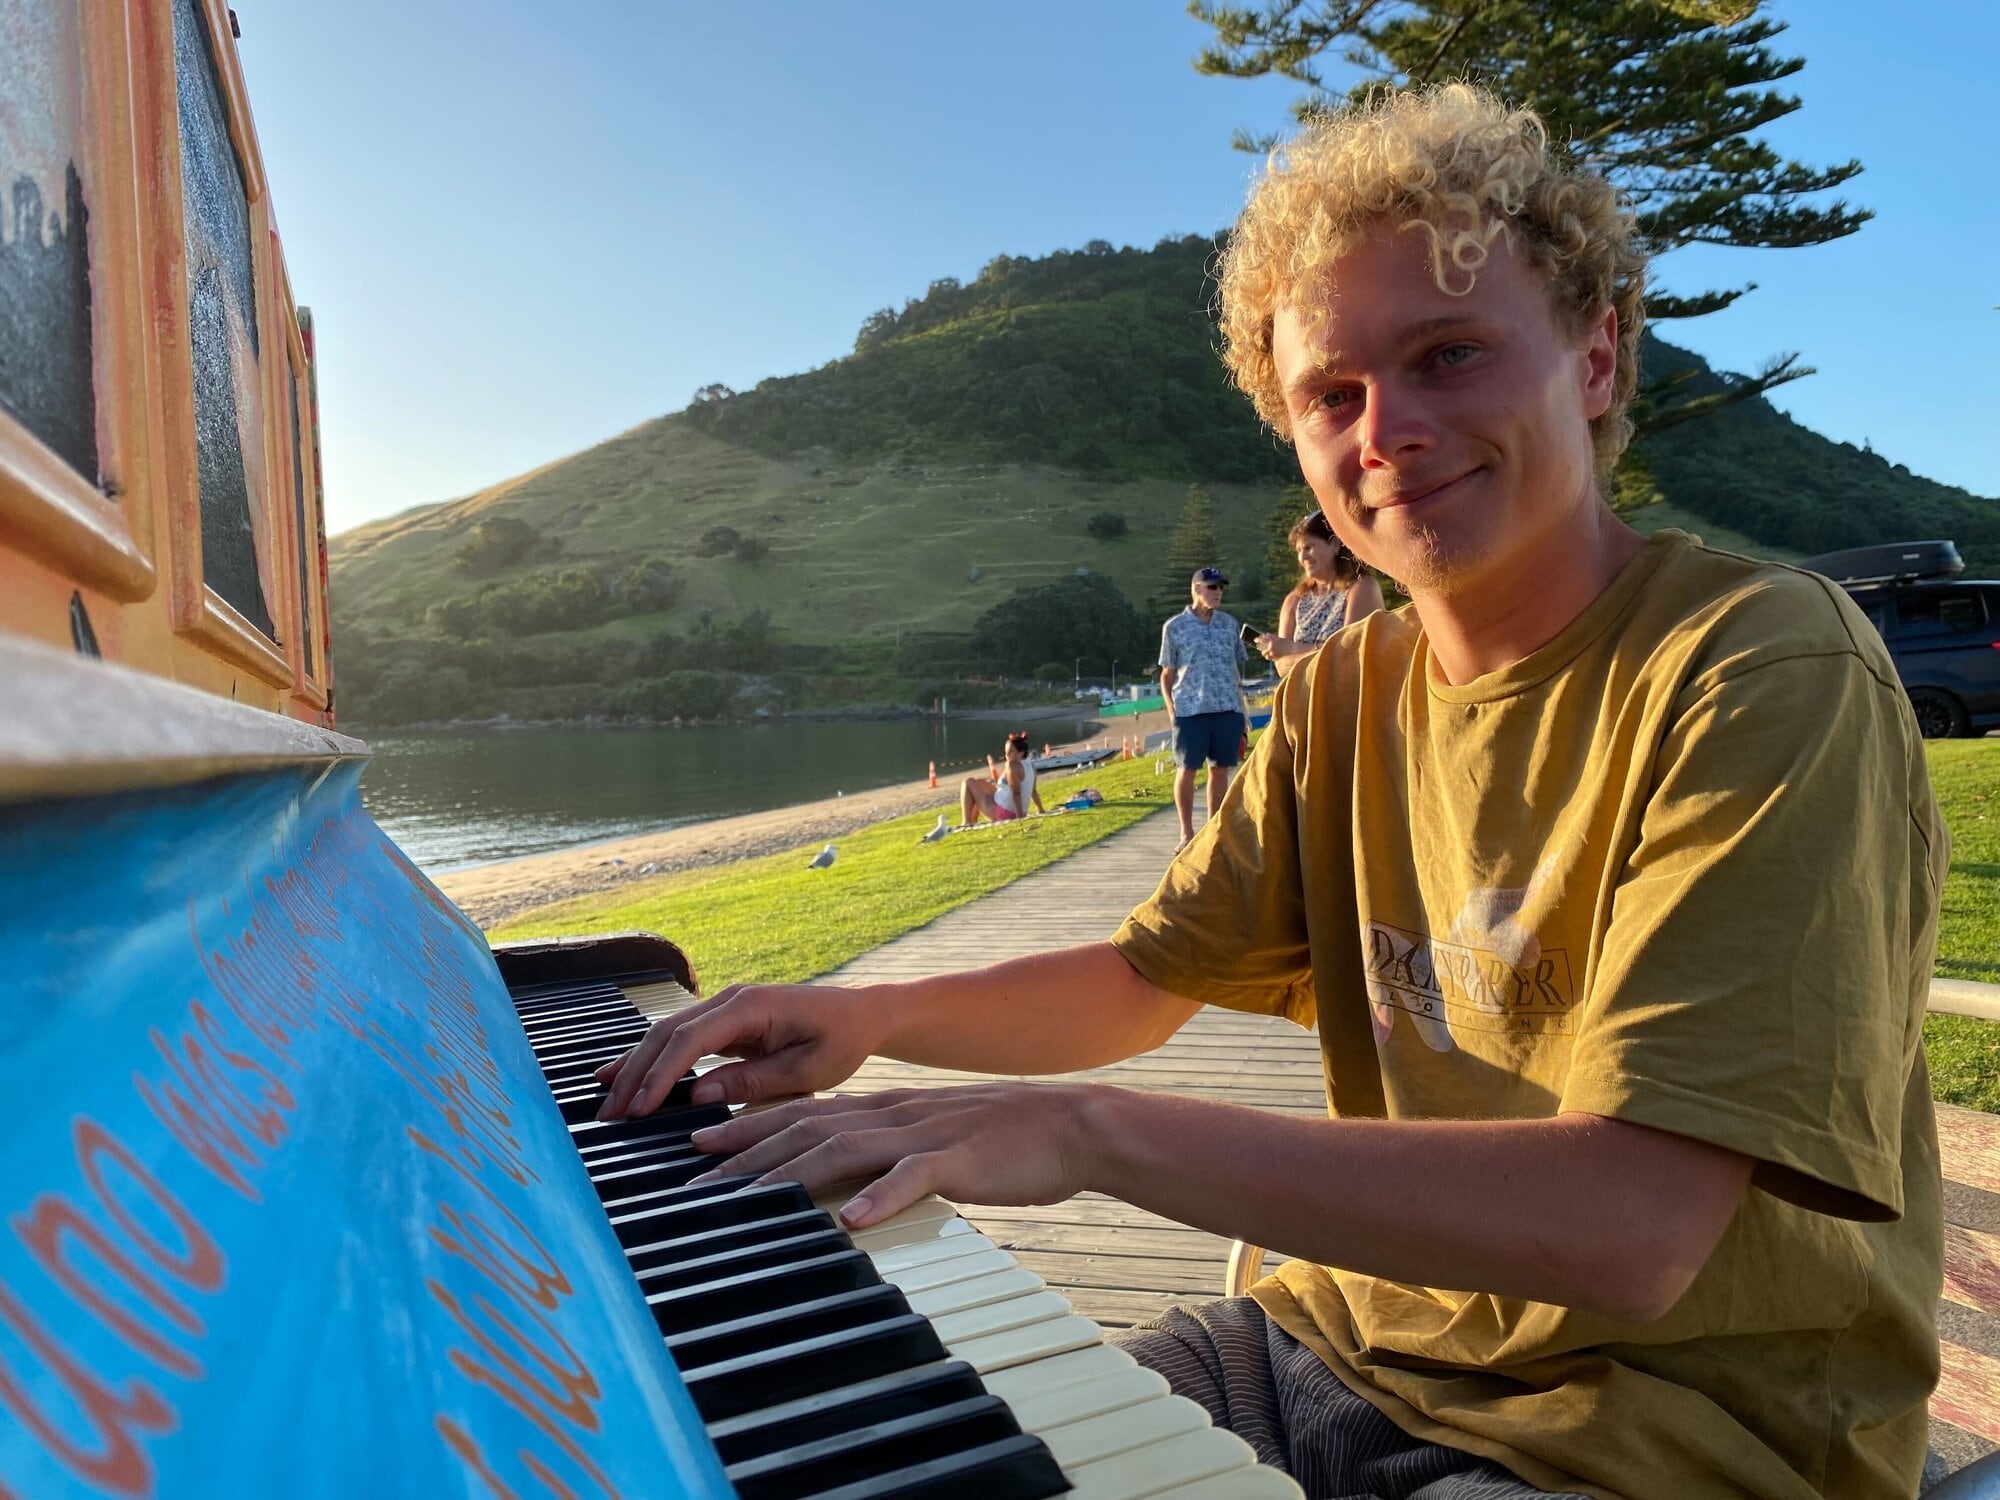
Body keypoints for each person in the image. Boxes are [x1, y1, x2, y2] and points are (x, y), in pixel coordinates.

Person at [597, 83, 1943, 1500]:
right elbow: (1146, 974)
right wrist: (874, 1016)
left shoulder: (1757, 666)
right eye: (1333, 394)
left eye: (1452, 354)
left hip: (1668, 1435)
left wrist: (1086, 1132)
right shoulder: (1346, 692)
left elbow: (1635, 1225)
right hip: (1344, 1343)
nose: (1390, 431)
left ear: (1596, 356)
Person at [1160, 565, 1248, 848]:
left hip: (1227, 709)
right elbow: (1167, 674)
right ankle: (1186, 833)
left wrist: (1243, 713)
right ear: (1196, 589)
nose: (1218, 592)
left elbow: (1237, 669)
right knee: (1187, 769)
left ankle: (1214, 831)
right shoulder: (1174, 627)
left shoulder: (1229, 624)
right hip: (1190, 712)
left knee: (1220, 770)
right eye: (1212, 587)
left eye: (1221, 587)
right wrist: (1173, 712)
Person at [1255, 510, 1385, 677]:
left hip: (1350, 699)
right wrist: (1324, 653)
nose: (1303, 557)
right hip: (1304, 701)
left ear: (1336, 544)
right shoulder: (1294, 600)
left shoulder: (1362, 588)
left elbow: (1350, 655)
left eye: (1309, 547)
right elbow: (1282, 667)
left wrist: (1291, 649)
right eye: (1299, 550)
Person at [960, 730, 1045, 826]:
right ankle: (973, 821)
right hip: (1010, 808)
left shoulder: (1013, 766)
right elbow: (1033, 791)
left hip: (1003, 813)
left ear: (1020, 753)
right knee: (979, 783)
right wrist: (1041, 810)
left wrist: (1020, 818)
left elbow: (1016, 793)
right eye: (1005, 753)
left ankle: (966, 822)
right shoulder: (1030, 765)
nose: (1006, 756)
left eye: (1010, 752)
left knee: (967, 783)